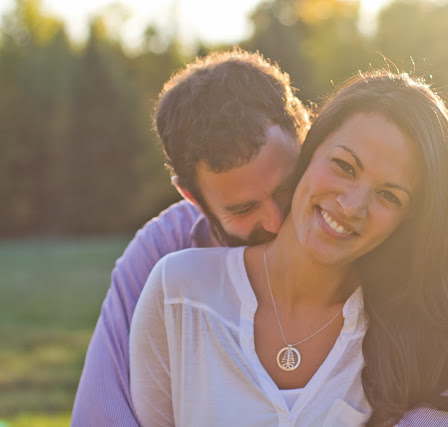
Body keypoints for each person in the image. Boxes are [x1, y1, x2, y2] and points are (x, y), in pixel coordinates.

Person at [129, 71, 448, 426]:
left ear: (409, 219)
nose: (352, 206)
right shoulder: (178, 293)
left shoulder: (433, 345)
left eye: (388, 195)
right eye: (344, 167)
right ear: (309, 151)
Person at [71, 48, 310, 426]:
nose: (278, 222)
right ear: (192, 197)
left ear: (306, 139)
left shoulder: (351, 223)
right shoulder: (157, 257)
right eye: (244, 209)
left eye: (287, 189)